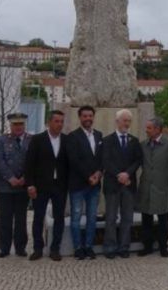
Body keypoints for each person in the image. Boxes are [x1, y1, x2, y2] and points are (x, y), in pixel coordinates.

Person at [25, 110, 68, 261]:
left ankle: (55, 248)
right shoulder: (37, 139)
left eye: (62, 121)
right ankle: (38, 248)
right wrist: (30, 184)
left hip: (60, 186)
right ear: (49, 122)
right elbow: (29, 163)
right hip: (41, 185)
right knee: (38, 217)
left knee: (59, 218)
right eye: (57, 121)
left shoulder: (66, 140)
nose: (60, 124)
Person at [102, 109, 142, 259]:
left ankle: (124, 247)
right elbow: (106, 161)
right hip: (112, 185)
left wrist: (127, 174)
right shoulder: (107, 140)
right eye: (124, 120)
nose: (127, 123)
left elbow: (138, 160)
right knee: (111, 218)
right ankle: (110, 247)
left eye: (129, 121)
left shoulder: (134, 140)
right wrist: (119, 174)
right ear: (117, 121)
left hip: (129, 185)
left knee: (127, 218)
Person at [65, 105, 103, 260]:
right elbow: (74, 160)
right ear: (80, 118)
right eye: (85, 116)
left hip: (95, 184)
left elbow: (102, 157)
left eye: (90, 116)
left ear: (93, 117)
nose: (88, 118)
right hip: (78, 184)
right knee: (75, 217)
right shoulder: (72, 137)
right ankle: (78, 247)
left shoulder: (99, 135)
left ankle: (88, 246)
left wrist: (99, 173)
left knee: (92, 217)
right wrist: (89, 176)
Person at [136, 117, 168, 257]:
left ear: (157, 129)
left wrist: (164, 178)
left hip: (161, 187)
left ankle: (163, 246)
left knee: (163, 219)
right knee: (146, 218)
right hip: (146, 186)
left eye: (149, 128)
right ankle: (147, 245)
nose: (146, 130)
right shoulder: (143, 145)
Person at [0, 112, 31, 258]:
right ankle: (4, 248)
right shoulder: (2, 140)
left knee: (21, 219)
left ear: (24, 125)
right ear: (10, 125)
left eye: (20, 124)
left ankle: (20, 247)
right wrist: (10, 178)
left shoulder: (31, 140)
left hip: (23, 186)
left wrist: (24, 178)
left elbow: (34, 161)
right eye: (15, 124)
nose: (18, 127)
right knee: (4, 218)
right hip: (6, 186)